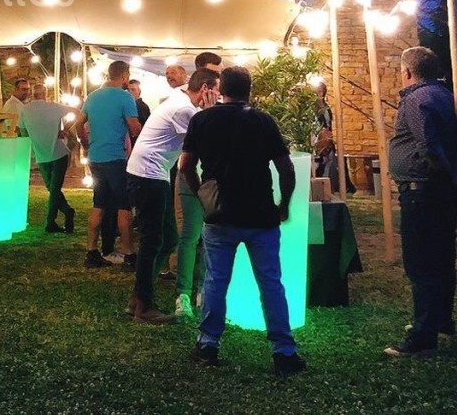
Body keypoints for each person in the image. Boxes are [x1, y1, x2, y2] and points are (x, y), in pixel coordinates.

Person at [178, 66, 305, 376]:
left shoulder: (202, 120)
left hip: (220, 214)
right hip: (260, 214)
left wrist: (202, 195)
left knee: (215, 280)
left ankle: (208, 344)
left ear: (221, 89)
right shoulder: (263, 121)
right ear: (249, 90)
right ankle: (284, 351)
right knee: (270, 282)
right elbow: (286, 168)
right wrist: (283, 205)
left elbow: (185, 166)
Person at [385, 46, 457, 358]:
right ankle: (441, 319)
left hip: (422, 191)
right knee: (442, 256)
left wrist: (450, 177)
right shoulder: (448, 97)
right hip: (440, 191)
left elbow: (429, 146)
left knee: (421, 262)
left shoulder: (415, 99)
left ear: (407, 72)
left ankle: (423, 336)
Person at [127, 68, 219, 323]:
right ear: (205, 90)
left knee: (168, 240)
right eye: (217, 91)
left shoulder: (182, 100)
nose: (219, 96)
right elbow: (208, 143)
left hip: (152, 175)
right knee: (152, 241)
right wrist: (210, 113)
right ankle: (143, 307)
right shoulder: (184, 110)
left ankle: (137, 298)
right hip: (147, 176)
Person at [73, 60, 141, 270]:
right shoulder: (125, 97)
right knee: (123, 206)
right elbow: (134, 127)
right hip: (116, 157)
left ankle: (92, 250)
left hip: (96, 157)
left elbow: (78, 123)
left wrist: (86, 143)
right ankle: (128, 253)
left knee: (99, 203)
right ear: (124, 75)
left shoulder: (93, 96)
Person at [19, 82, 75, 233]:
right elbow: (77, 112)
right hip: (58, 151)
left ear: (32, 94)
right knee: (54, 188)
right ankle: (65, 213)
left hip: (40, 153)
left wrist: (34, 139)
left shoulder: (25, 109)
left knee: (52, 188)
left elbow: (23, 131)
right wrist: (65, 129)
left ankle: (52, 221)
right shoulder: (55, 107)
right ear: (46, 93)